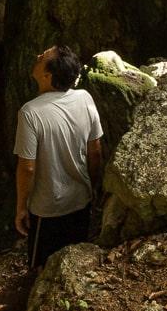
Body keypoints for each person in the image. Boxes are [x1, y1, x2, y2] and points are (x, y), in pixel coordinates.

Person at [13, 45, 103, 270]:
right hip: (80, 201)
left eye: (42, 57)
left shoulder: (30, 112)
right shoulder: (85, 98)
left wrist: (21, 207)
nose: (37, 55)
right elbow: (95, 152)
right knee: (76, 264)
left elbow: (27, 168)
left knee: (40, 269)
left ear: (47, 75)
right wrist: (93, 187)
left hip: (48, 209)